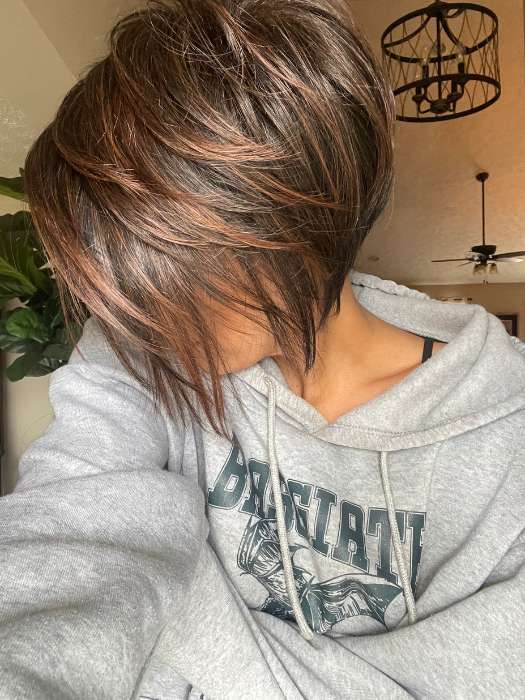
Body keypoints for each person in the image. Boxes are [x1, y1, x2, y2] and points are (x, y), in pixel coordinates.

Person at [1, 0, 524, 697]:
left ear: (292, 220)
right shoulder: (136, 350)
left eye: (163, 275)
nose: (139, 319)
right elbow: (69, 544)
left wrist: (179, 614)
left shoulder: (507, 437)